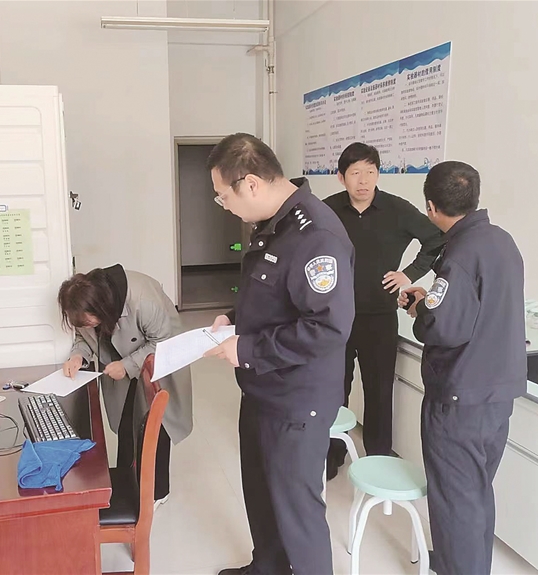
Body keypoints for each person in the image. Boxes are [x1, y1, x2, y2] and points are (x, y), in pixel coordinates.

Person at [202, 133, 355, 575]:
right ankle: (266, 567)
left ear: (250, 184)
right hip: (263, 388)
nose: (223, 205)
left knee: (296, 510)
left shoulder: (316, 235)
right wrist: (234, 319)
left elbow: (327, 327)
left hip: (296, 398)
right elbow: (275, 299)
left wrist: (248, 348)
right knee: (261, 491)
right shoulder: (275, 224)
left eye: (222, 196)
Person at [398, 161, 526, 575]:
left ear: (431, 207)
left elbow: (444, 328)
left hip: (460, 399)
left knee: (456, 498)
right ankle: (463, 561)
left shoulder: (460, 253)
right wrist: (432, 300)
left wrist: (421, 309)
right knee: (476, 490)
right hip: (497, 394)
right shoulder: (501, 241)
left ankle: (460, 567)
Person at [324, 142, 444, 479]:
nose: (363, 180)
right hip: (335, 317)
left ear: (378, 173)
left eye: (370, 172)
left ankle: (377, 460)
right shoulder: (327, 210)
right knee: (333, 389)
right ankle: (331, 456)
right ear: (341, 177)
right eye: (355, 173)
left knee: (378, 392)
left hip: (379, 317)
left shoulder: (397, 209)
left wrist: (409, 274)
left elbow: (436, 238)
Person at [58, 264, 193, 506]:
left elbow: (162, 342)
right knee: (126, 418)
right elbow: (83, 336)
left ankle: (157, 491)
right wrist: (78, 355)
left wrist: (128, 365)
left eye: (88, 321)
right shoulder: (87, 304)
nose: (85, 326)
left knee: (156, 422)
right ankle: (126, 481)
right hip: (119, 355)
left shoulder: (143, 301)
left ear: (101, 307)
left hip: (160, 353)